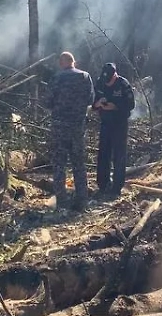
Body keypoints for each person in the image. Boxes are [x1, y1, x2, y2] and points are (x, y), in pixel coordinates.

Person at [47, 51, 94, 211]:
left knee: (59, 164)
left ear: (62, 63)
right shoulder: (85, 77)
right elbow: (91, 100)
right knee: (79, 164)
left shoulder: (57, 78)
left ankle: (62, 202)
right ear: (74, 62)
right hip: (77, 127)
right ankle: (82, 201)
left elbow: (48, 101)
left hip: (59, 127)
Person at [93, 61, 135, 199]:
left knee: (119, 155)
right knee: (103, 154)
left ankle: (117, 187)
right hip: (105, 123)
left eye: (109, 80)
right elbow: (92, 101)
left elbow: (130, 104)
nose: (108, 83)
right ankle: (103, 184)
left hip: (119, 124)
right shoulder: (100, 82)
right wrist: (98, 104)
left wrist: (115, 106)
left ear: (115, 75)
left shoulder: (123, 84)